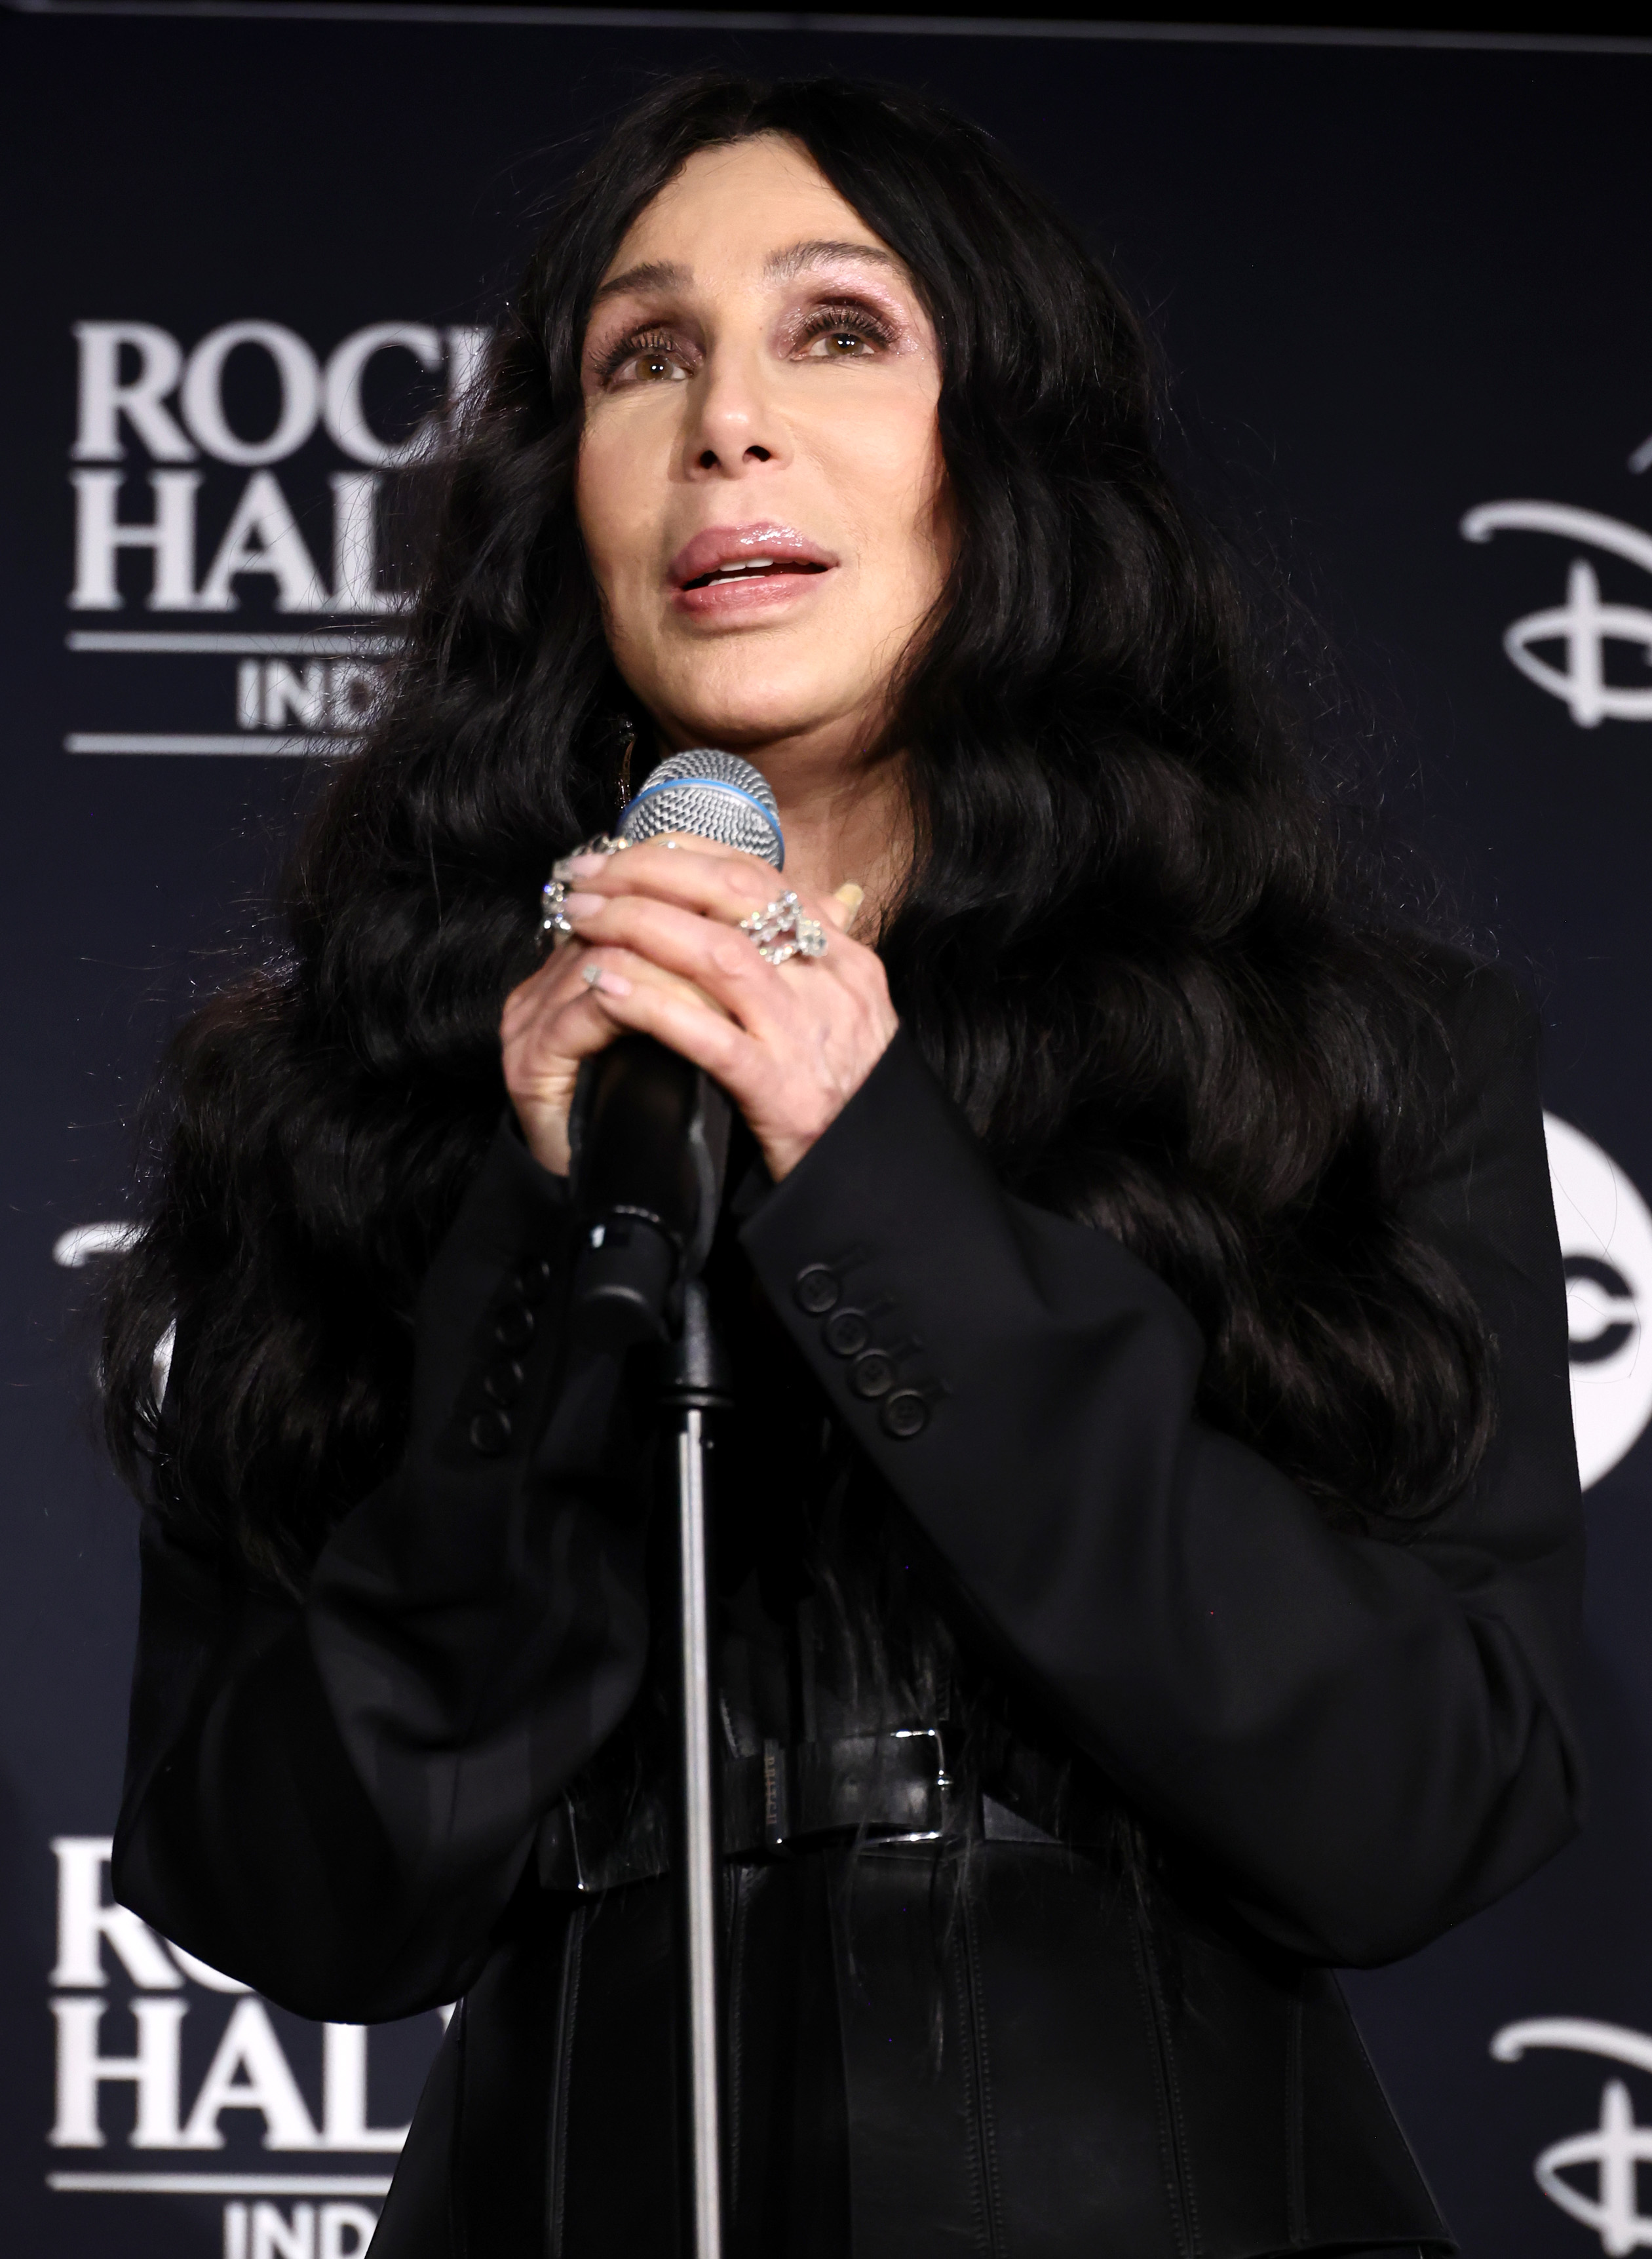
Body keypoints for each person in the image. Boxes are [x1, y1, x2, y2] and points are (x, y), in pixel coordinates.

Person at [102, 70, 1583, 2259]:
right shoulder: (335, 1111)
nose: (725, 425)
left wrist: (868, 1170)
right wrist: (537, 1230)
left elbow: (1426, 1807)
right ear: (565, 490)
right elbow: (298, 1902)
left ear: (1006, 445)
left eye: (836, 329)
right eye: (642, 357)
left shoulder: (1347, 1059)